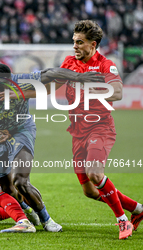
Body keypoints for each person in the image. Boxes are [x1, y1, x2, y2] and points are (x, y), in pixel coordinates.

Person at [0, 63, 104, 232]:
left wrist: (79, 77)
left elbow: (49, 72)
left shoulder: (21, 82)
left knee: (20, 181)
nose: (2, 91)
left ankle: (47, 220)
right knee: (7, 187)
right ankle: (28, 209)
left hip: (21, 130)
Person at [54, 20, 143, 240]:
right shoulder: (69, 62)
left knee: (95, 173)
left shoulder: (105, 64)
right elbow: (52, 85)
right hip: (77, 132)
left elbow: (118, 92)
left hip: (100, 128)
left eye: (80, 42)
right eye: (74, 41)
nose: (75, 46)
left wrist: (90, 86)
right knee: (90, 191)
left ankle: (122, 221)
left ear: (93, 45)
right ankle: (139, 210)